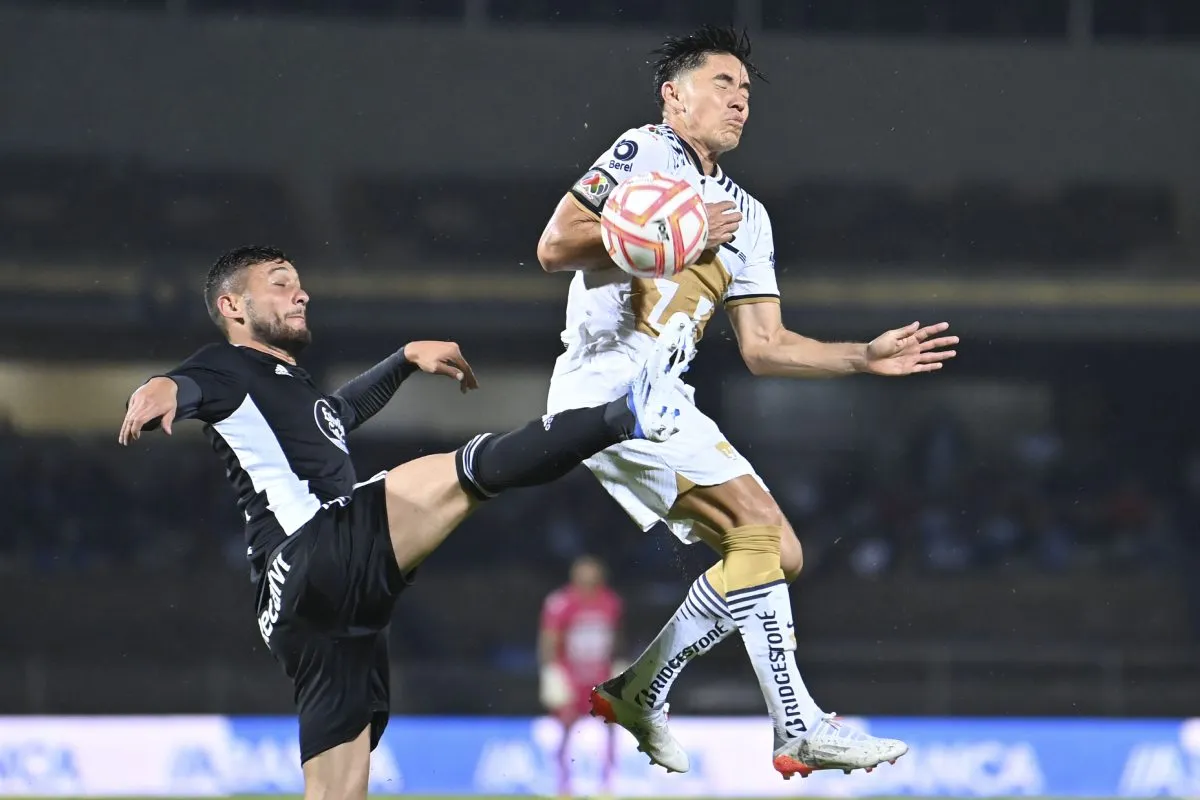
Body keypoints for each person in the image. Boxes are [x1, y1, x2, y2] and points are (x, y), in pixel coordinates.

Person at [536, 26, 959, 779]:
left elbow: (764, 346)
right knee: (761, 534)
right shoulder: (643, 154)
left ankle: (640, 690)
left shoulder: (750, 216)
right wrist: (671, 235)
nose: (739, 101)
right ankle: (796, 727)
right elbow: (555, 245)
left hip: (666, 393)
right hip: (609, 381)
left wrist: (861, 356)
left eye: (746, 91)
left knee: (776, 552)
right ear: (674, 95)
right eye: (722, 84)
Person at [116, 245, 690, 800]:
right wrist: (159, 388)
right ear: (232, 308)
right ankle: (629, 409)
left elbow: (337, 413)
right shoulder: (228, 365)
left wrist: (405, 358)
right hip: (314, 552)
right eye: (280, 283)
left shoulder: (290, 393)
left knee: (338, 790)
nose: (301, 294)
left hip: (306, 607)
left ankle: (627, 412)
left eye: (298, 282)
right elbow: (187, 382)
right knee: (465, 470)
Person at [538, 555, 624, 798]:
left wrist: (619, 664)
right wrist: (550, 671)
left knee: (611, 725)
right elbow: (549, 638)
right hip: (570, 675)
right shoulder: (561, 602)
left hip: (600, 675)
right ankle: (563, 784)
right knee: (565, 727)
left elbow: (617, 636)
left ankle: (607, 783)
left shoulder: (610, 601)